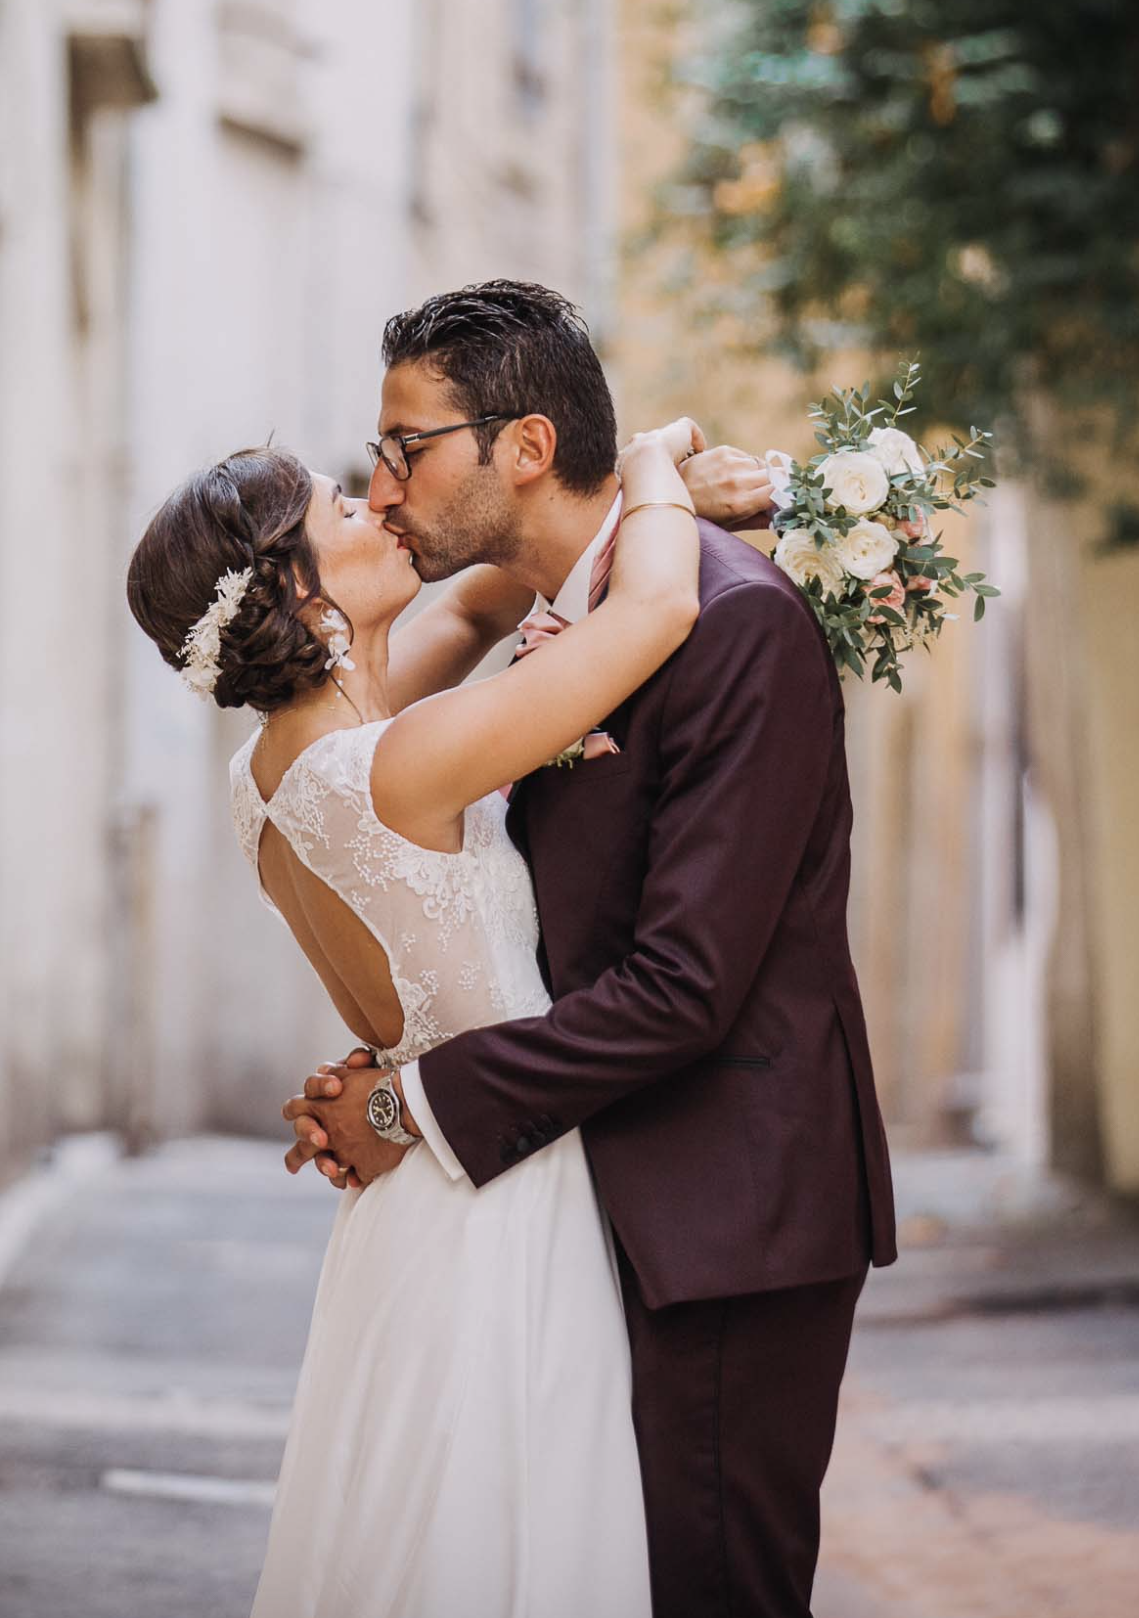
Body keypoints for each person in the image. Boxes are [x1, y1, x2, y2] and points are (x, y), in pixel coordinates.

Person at [283, 281, 898, 1618]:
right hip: (589, 1205)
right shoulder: (579, 619)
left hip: (718, 1219)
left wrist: (412, 1102)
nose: (383, 487)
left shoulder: (725, 620)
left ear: (520, 448)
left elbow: (685, 984)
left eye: (406, 446)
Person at [127, 366, 762, 1614]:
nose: (379, 503)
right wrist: (647, 468)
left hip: (416, 1194)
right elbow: (649, 622)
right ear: (305, 596)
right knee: (502, 1543)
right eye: (343, 512)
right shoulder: (394, 762)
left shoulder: (283, 766)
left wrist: (588, 505)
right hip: (506, 1202)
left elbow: (476, 609)